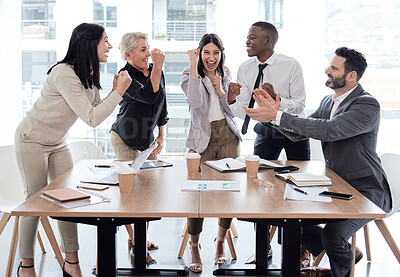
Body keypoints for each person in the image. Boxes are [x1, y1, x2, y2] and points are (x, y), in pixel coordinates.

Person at [244, 47, 392, 277]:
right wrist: (272, 115)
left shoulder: (366, 105)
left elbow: (330, 130)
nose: (327, 70)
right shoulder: (328, 101)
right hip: (335, 186)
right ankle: (345, 254)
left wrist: (277, 115)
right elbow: (300, 132)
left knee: (333, 235)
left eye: (334, 68)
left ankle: (337, 269)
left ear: (351, 76)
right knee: (291, 220)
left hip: (365, 190)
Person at [14, 23, 132, 277]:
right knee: (33, 202)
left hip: (58, 142)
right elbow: (91, 118)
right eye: (106, 40)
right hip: (32, 139)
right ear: (89, 43)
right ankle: (26, 266)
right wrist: (119, 92)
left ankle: (71, 263)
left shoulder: (89, 72)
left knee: (67, 199)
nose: (110, 46)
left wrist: (114, 91)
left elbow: (97, 110)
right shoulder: (64, 73)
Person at [228, 20, 310, 264]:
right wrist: (232, 101)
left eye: (252, 37)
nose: (247, 41)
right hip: (266, 131)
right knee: (258, 188)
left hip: (294, 132)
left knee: (298, 189)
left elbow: (300, 105)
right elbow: (245, 111)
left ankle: (300, 248)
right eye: (247, 37)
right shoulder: (245, 67)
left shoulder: (290, 65)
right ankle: (263, 248)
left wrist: (276, 100)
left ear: (268, 41)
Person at [180, 33, 241, 273]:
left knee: (228, 193)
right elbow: (195, 102)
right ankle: (194, 246)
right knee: (197, 195)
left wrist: (221, 91)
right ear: (199, 53)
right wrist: (195, 69)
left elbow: (230, 111)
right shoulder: (188, 75)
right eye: (206, 52)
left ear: (221, 54)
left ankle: (220, 242)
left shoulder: (226, 74)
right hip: (201, 139)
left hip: (227, 136)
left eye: (216, 53)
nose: (211, 57)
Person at [109, 32, 168, 265]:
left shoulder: (155, 69)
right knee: (130, 193)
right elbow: (149, 97)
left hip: (146, 140)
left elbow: (161, 102)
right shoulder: (124, 76)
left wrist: (161, 134)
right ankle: (137, 244)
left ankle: (138, 236)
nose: (148, 53)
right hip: (124, 138)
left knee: (145, 192)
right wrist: (158, 67)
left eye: (148, 48)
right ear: (128, 54)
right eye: (142, 50)